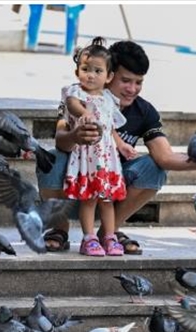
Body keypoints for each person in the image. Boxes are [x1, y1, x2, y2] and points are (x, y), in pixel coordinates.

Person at [37, 40, 196, 254]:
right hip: (75, 186)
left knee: (154, 169)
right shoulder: (79, 98)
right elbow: (61, 138)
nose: (132, 89)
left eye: (138, 82)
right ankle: (59, 229)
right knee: (50, 159)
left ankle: (110, 232)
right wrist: (75, 135)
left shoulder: (145, 112)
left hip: (112, 190)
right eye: (126, 80)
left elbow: (164, 156)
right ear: (109, 75)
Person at [60, 37, 130, 257]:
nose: (90, 75)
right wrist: (84, 112)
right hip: (86, 156)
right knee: (89, 199)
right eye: (85, 69)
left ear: (109, 77)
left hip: (107, 158)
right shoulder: (75, 93)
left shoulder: (109, 99)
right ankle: (88, 238)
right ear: (77, 71)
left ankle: (109, 236)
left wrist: (122, 145)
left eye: (97, 71)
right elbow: (72, 105)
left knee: (107, 200)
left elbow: (110, 129)